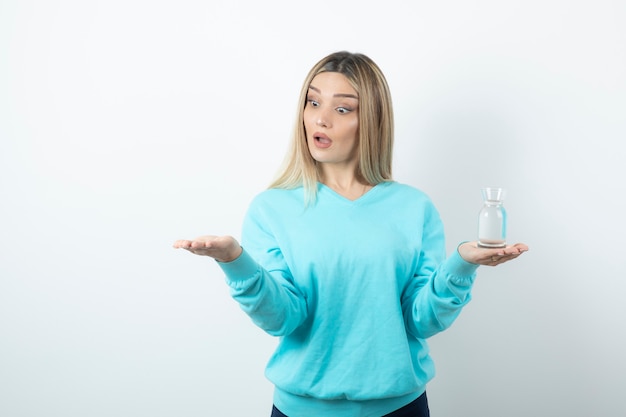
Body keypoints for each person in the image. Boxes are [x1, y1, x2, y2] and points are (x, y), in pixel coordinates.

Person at [173, 51, 528, 417]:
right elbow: (284, 318)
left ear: (371, 121)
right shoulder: (271, 209)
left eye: (342, 109)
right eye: (313, 102)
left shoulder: (414, 208)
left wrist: (461, 265)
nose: (320, 119)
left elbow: (419, 320)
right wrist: (236, 262)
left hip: (400, 409)